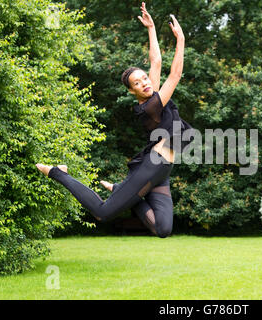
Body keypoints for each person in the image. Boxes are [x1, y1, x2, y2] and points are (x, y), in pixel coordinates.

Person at [36, 2, 193, 238]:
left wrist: (151, 29)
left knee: (163, 229)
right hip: (153, 165)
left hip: (162, 170)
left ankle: (124, 190)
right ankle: (58, 172)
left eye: (144, 78)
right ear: (132, 92)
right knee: (102, 212)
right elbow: (175, 74)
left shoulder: (154, 97)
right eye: (137, 83)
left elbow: (156, 62)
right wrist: (180, 40)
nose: (144, 82)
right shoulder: (151, 105)